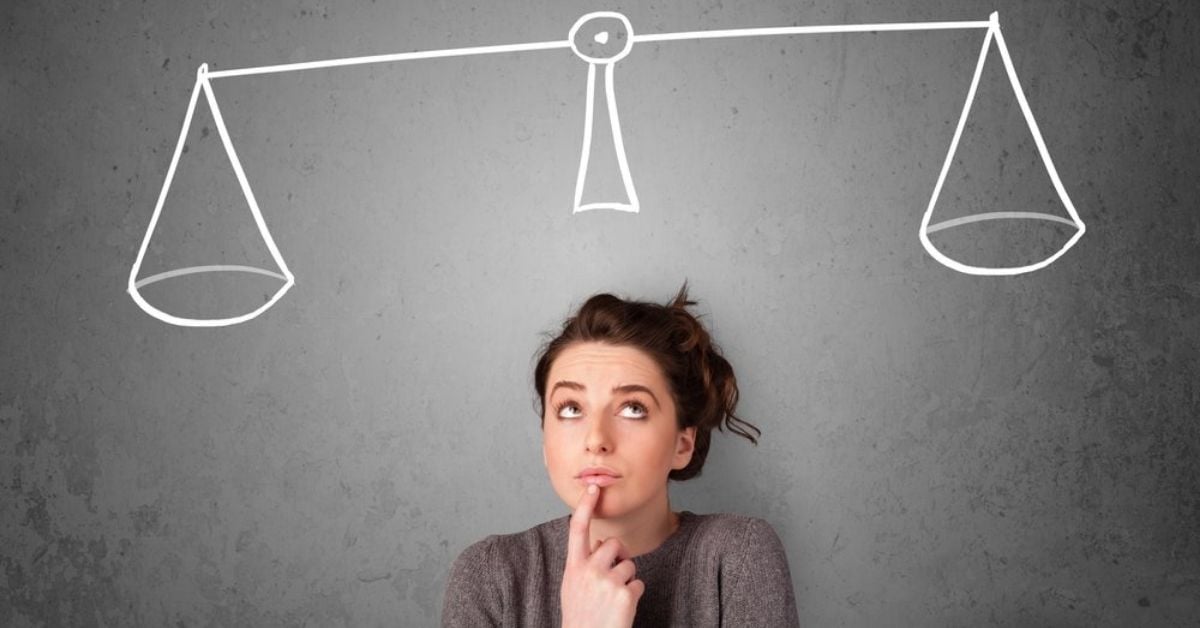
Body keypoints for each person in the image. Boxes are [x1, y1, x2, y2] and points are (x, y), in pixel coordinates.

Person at [441, 283, 800, 627]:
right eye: (570, 409)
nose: (596, 439)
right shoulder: (490, 575)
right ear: (544, 442)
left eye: (632, 408)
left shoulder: (736, 557)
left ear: (682, 444)